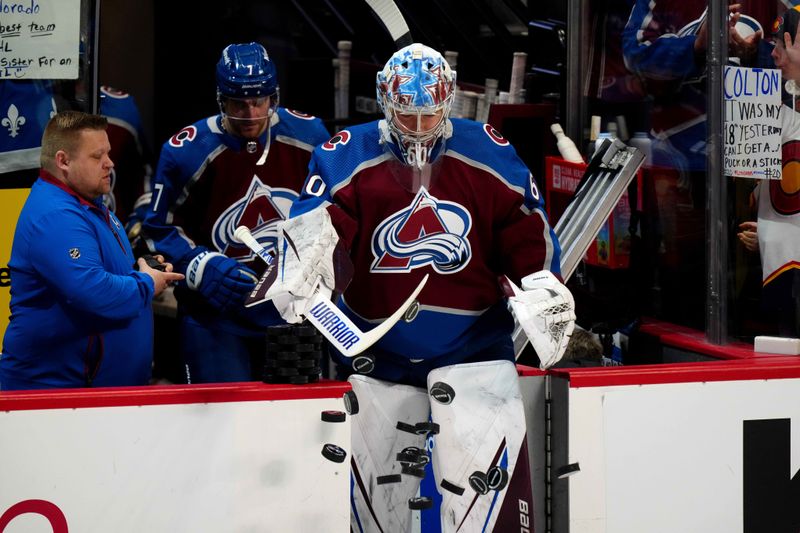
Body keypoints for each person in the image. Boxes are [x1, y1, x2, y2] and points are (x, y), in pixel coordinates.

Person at [266, 43, 574, 532]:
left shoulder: (488, 151)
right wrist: (304, 259)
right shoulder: (346, 152)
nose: (417, 127)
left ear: (447, 103)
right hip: (375, 356)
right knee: (376, 515)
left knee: (482, 511)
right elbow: (316, 226)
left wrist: (541, 285)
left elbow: (526, 229)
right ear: (385, 103)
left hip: (474, 352)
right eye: (405, 115)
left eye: (428, 115)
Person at [141, 42, 330, 384]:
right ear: (220, 99)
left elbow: (329, 214)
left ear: (274, 97)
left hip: (290, 315)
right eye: (238, 104)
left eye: (259, 101)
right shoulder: (186, 150)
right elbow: (158, 227)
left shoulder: (311, 137)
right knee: (221, 427)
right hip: (216, 317)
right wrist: (199, 264)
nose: (250, 113)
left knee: (290, 425)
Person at [0, 111, 183, 391]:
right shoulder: (56, 215)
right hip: (56, 395)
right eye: (97, 157)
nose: (109, 163)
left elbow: (102, 273)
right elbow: (92, 291)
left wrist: (140, 269)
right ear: (63, 161)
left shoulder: (90, 204)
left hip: (94, 393)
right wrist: (146, 283)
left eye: (108, 153)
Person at [737, 7, 800, 337]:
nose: (774, 52)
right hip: (778, 279)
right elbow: (748, 173)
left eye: (783, 42)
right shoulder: (782, 106)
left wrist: (771, 236)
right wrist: (748, 63)